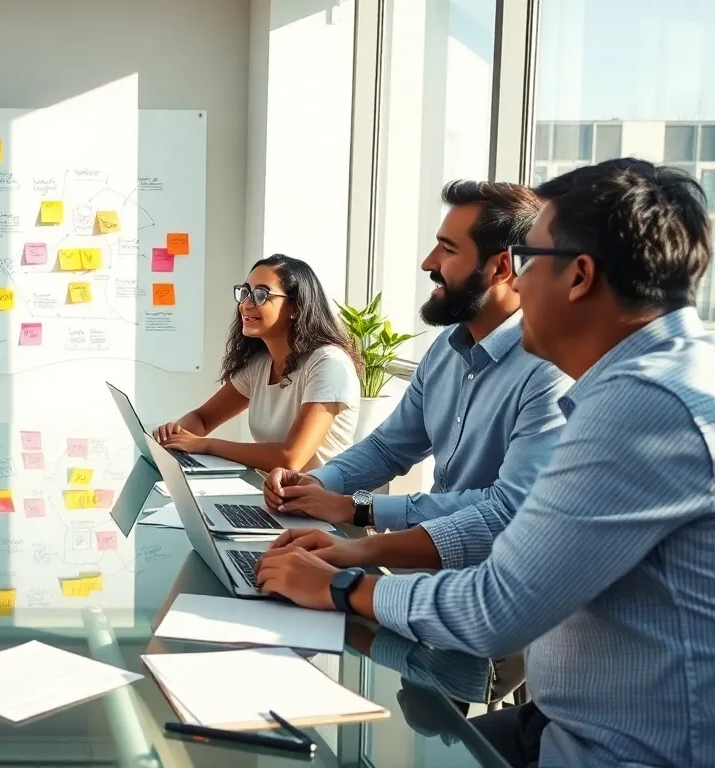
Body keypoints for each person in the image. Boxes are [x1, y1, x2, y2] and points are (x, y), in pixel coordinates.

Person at [256, 158, 715, 768]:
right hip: (562, 717)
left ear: (578, 276)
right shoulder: (651, 379)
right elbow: (482, 504)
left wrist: (340, 583)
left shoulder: (644, 407)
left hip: (619, 748)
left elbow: (493, 608)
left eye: (528, 262)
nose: (520, 287)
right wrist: (350, 541)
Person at [261, 181, 570, 537]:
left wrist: (359, 509)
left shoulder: (550, 371)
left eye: (448, 249)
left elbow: (509, 508)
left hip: (481, 575)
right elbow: (388, 448)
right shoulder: (445, 350)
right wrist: (314, 483)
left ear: (500, 269)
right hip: (425, 556)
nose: (428, 263)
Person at [152, 254, 362, 472]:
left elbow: (290, 459)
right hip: (274, 496)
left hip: (320, 501)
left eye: (261, 294)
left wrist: (204, 445)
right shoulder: (260, 364)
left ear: (296, 308)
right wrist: (174, 439)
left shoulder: (329, 364)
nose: (246, 304)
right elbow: (202, 419)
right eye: (245, 292)